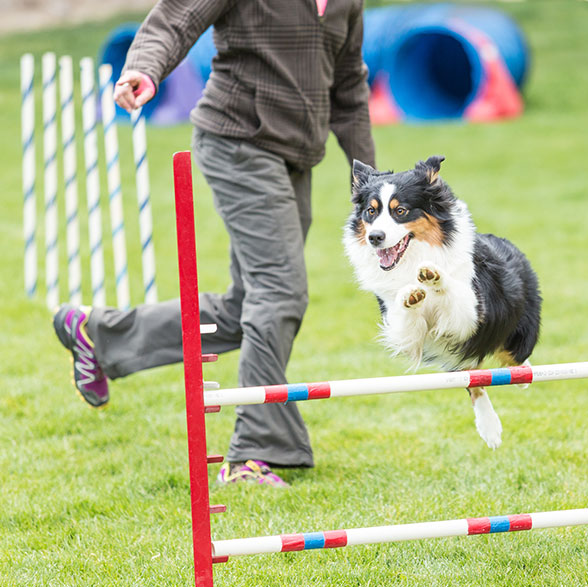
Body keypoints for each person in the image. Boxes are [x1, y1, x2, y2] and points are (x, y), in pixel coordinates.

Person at [53, 0, 376, 488]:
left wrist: (369, 185)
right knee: (279, 291)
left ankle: (100, 335)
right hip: (238, 141)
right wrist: (144, 67)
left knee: (247, 304)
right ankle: (251, 455)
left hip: (295, 154)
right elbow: (176, 17)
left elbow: (349, 84)